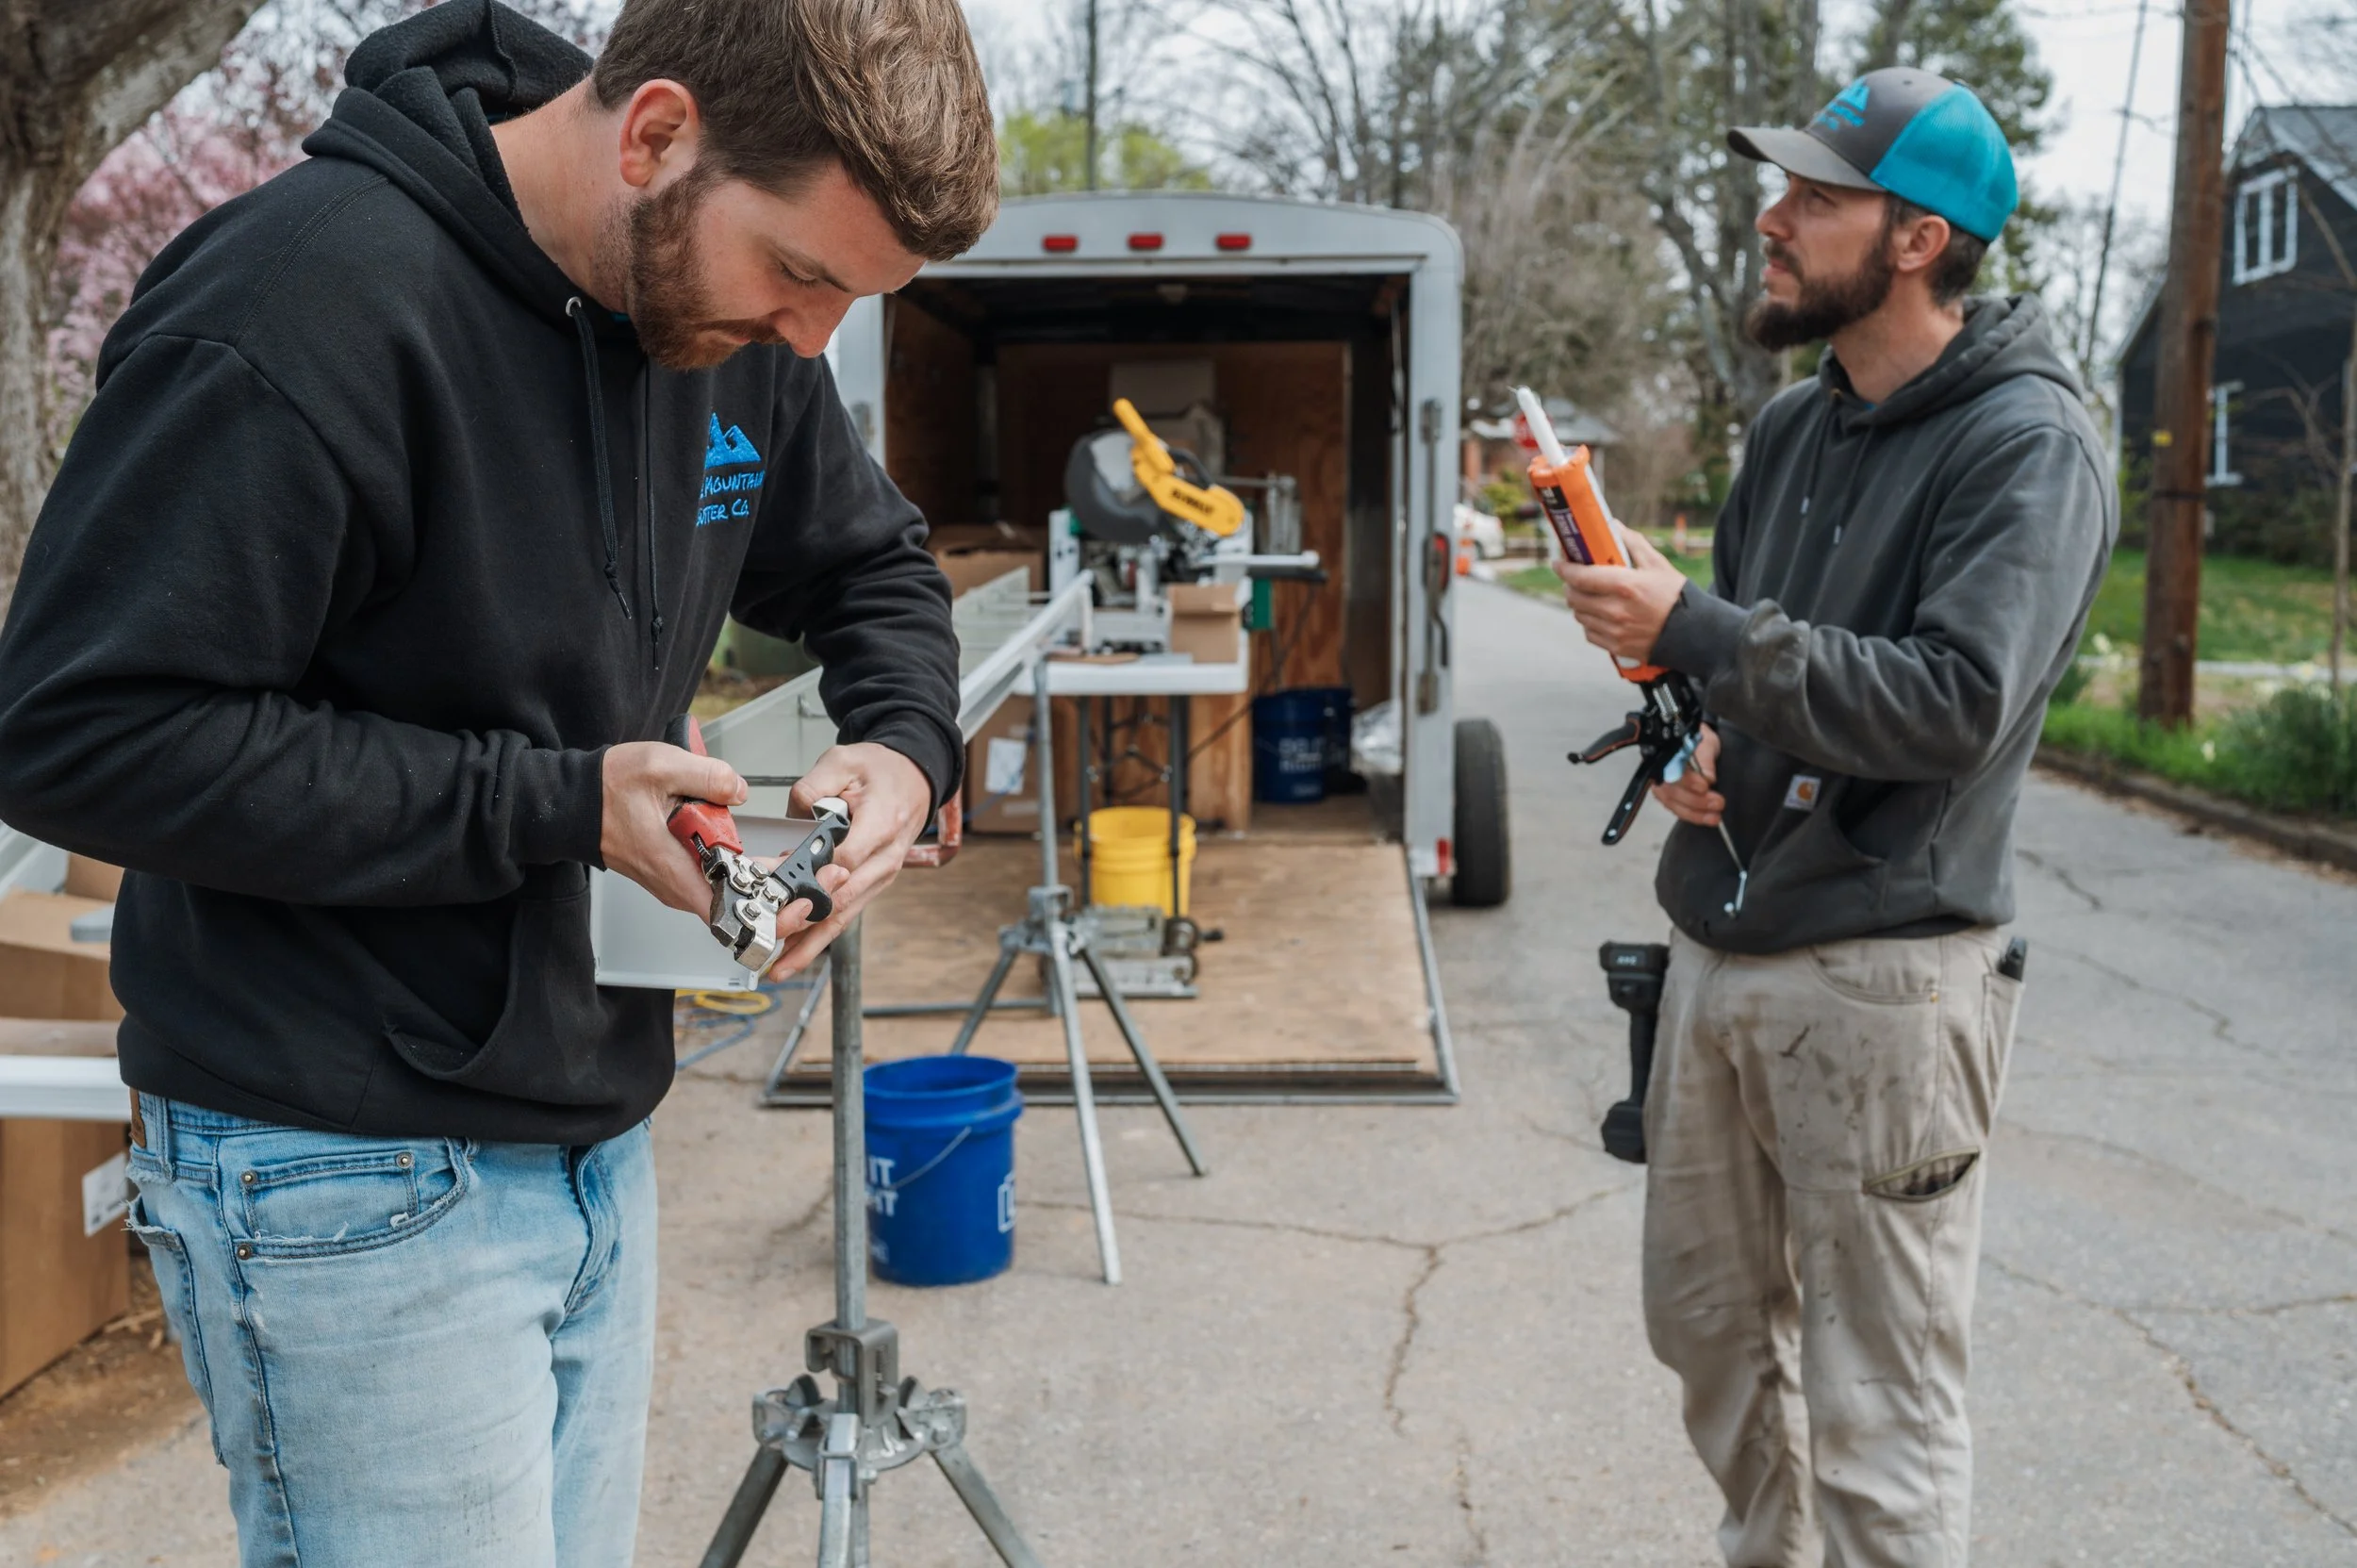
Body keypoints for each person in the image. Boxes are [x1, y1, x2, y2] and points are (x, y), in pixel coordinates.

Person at [0, 1, 996, 1562]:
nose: (814, 340)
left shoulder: (721, 329)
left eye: (853, 301)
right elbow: (77, 728)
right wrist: (552, 803)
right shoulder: (298, 304)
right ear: (657, 134)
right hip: (334, 1156)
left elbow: (875, 564)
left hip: (592, 1126)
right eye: (803, 275)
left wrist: (902, 743)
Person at [1555, 69, 2117, 1568]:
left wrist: (1701, 629)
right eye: (1781, 189)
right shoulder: (1796, 429)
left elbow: (1952, 701)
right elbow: (1753, 669)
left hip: (1885, 978)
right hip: (1722, 950)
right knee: (1718, 1347)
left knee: (1879, 1405)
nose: (1773, 218)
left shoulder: (2025, 442)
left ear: (1919, 239)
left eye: (1815, 196)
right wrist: (1698, 742)